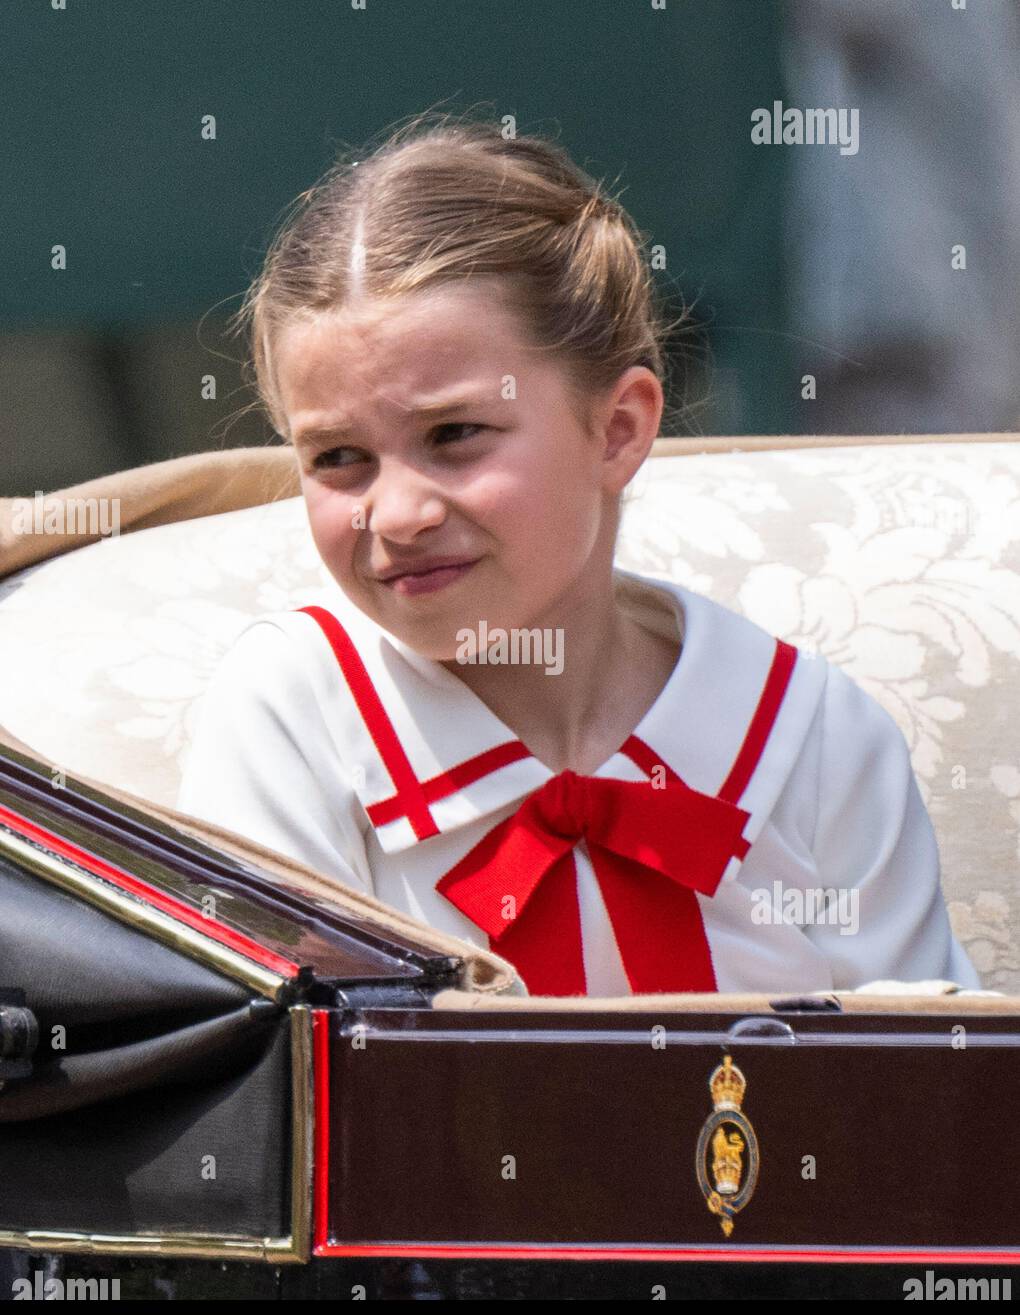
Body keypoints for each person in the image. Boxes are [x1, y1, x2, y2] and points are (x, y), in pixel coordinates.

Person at [177, 114, 980, 997]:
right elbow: (295, 1065)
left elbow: (925, 1072)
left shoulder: (817, 737)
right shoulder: (297, 719)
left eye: (455, 434)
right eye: (338, 457)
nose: (398, 515)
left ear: (619, 429)